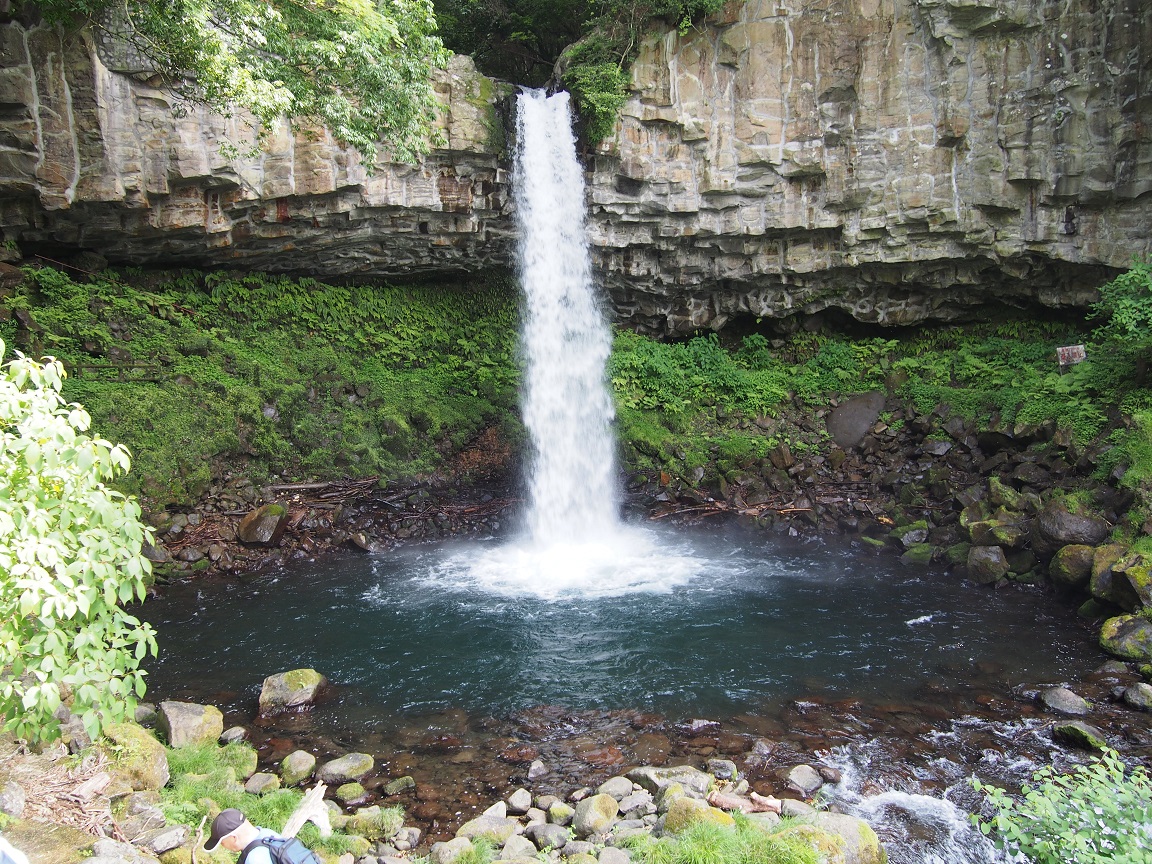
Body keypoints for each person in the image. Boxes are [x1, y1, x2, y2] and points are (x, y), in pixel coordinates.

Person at [204, 809, 284, 864]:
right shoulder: (268, 834)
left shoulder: (254, 859)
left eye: (222, 842)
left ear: (234, 838)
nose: (223, 846)